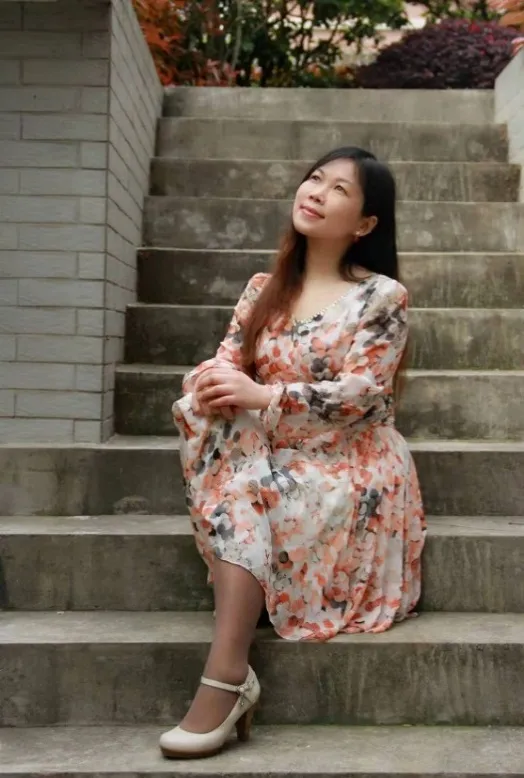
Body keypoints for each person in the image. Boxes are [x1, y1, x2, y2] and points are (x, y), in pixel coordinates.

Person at [159, 146, 426, 760]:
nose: (316, 192)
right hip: (269, 453)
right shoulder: (264, 289)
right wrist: (216, 384)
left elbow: (364, 395)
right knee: (210, 414)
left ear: (365, 223)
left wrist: (263, 394)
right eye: (314, 179)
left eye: (339, 189)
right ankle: (232, 674)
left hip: (350, 461)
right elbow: (226, 360)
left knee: (244, 485)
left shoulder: (382, 296)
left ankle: (226, 676)